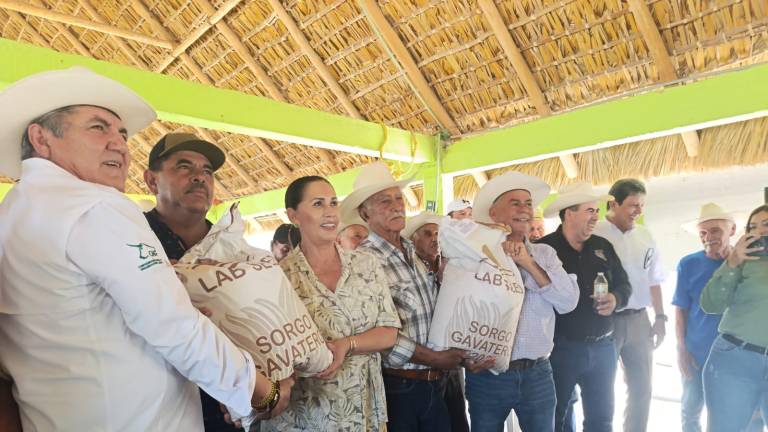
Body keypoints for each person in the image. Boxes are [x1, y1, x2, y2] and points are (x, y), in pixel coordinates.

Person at [0, 67, 288, 430]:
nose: (120, 144)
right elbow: (172, 325)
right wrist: (258, 391)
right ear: (41, 139)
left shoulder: (14, 212)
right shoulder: (96, 206)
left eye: (122, 134)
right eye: (98, 127)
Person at [144, 132, 297, 431]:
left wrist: (282, 381)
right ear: (152, 181)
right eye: (184, 167)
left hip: (243, 410)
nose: (199, 177)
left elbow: (274, 323)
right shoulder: (136, 243)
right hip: (166, 411)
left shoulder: (233, 248)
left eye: (207, 171)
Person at [341, 162, 486, 431]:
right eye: (385, 201)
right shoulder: (361, 262)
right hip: (400, 388)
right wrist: (436, 359)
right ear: (364, 213)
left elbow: (435, 315)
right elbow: (378, 335)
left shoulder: (412, 252)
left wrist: (460, 356)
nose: (397, 205)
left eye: (399, 198)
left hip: (437, 381)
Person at [262, 176, 401, 431]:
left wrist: (346, 344)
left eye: (333, 202)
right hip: (305, 415)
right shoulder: (279, 277)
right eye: (317, 204)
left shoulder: (366, 264)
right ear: (293, 215)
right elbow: (272, 352)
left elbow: (389, 331)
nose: (330, 212)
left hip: (363, 409)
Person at [464, 172, 579, 432]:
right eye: (515, 203)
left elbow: (568, 302)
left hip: (537, 372)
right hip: (487, 375)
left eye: (528, 203)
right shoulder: (475, 257)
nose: (525, 209)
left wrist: (528, 262)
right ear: (494, 213)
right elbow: (460, 313)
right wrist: (463, 358)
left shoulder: (545, 254)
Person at [538, 182, 632, 432]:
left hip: (603, 348)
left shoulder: (603, 247)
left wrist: (615, 298)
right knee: (556, 418)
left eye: (596, 211)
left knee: (601, 420)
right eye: (590, 210)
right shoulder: (543, 250)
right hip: (561, 349)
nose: (596, 216)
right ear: (569, 213)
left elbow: (624, 285)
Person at [593, 178, 666, 432]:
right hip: (605, 321)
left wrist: (660, 318)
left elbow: (654, 281)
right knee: (602, 390)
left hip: (639, 321)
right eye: (633, 205)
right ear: (613, 203)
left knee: (642, 389)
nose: (639, 211)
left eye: (642, 205)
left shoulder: (646, 236)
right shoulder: (595, 233)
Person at [701, 204, 768, 432]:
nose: (759, 231)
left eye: (766, 224)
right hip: (735, 360)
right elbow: (711, 304)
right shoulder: (744, 260)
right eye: (753, 227)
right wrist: (732, 263)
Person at [403, 211, 470, 432]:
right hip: (419, 369)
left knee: (457, 420)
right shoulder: (410, 272)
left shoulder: (450, 267)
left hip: (451, 365)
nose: (435, 239)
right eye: (427, 233)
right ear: (413, 239)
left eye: (438, 234)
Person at [672, 203, 735, 432]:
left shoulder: (747, 263)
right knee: (690, 413)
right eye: (703, 233)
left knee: (732, 415)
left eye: (716, 230)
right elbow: (681, 309)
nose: (709, 237)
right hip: (696, 353)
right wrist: (681, 349)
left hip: (735, 356)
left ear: (732, 230)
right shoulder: (688, 264)